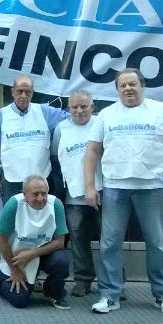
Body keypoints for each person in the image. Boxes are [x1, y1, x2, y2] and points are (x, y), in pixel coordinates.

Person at [84, 68, 163, 315]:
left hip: (152, 188)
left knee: (157, 244)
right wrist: (90, 186)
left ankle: (162, 296)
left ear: (142, 86)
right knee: (109, 244)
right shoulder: (107, 115)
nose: (128, 89)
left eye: (132, 84)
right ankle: (110, 296)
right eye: (123, 85)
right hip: (115, 188)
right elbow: (91, 152)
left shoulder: (160, 110)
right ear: (117, 89)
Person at [0, 175, 70, 310]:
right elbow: (0, 240)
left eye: (44, 193)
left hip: (42, 252)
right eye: (35, 194)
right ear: (24, 194)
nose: (41, 198)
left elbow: (60, 242)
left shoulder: (56, 204)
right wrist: (15, 271)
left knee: (61, 262)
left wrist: (32, 254)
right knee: (20, 301)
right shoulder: (14, 204)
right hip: (17, 257)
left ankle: (52, 291)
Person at [0, 75, 69, 206]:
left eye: (28, 92)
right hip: (12, 180)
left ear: (32, 93)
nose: (23, 96)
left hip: (42, 180)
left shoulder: (44, 112)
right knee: (13, 220)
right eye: (19, 91)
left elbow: (74, 117)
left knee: (43, 219)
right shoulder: (0, 115)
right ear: (12, 92)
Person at [51, 90, 103, 297]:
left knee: (109, 239)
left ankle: (114, 282)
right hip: (73, 195)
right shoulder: (61, 129)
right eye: (74, 107)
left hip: (103, 191)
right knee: (78, 240)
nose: (79, 111)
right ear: (68, 108)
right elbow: (56, 155)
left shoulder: (101, 123)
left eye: (84, 106)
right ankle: (83, 280)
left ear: (92, 107)